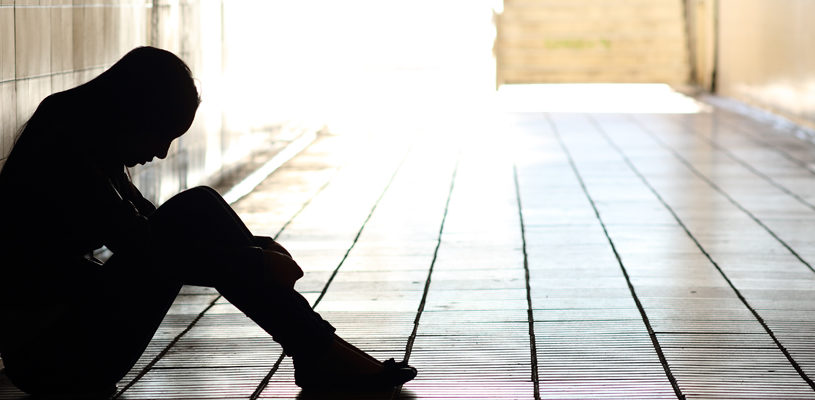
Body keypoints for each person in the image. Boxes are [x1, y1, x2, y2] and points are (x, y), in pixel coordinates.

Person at [0, 46, 416, 398]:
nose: (162, 153)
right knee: (194, 212)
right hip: (53, 359)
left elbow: (149, 221)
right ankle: (319, 353)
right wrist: (252, 263)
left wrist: (256, 247)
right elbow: (147, 248)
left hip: (69, 339)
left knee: (197, 206)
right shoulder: (65, 144)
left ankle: (317, 352)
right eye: (160, 133)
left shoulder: (82, 129)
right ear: (132, 110)